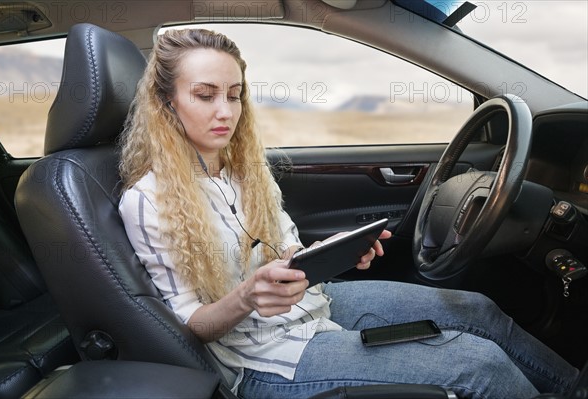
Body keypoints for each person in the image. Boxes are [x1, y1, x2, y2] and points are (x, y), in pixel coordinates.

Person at [118, 28, 579, 399]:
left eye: (234, 94)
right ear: (166, 105)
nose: (226, 112)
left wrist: (327, 256)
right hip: (264, 359)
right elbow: (189, 325)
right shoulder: (147, 200)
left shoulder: (243, 169)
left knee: (477, 309)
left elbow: (286, 250)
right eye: (205, 95)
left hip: (315, 307)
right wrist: (246, 298)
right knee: (478, 364)